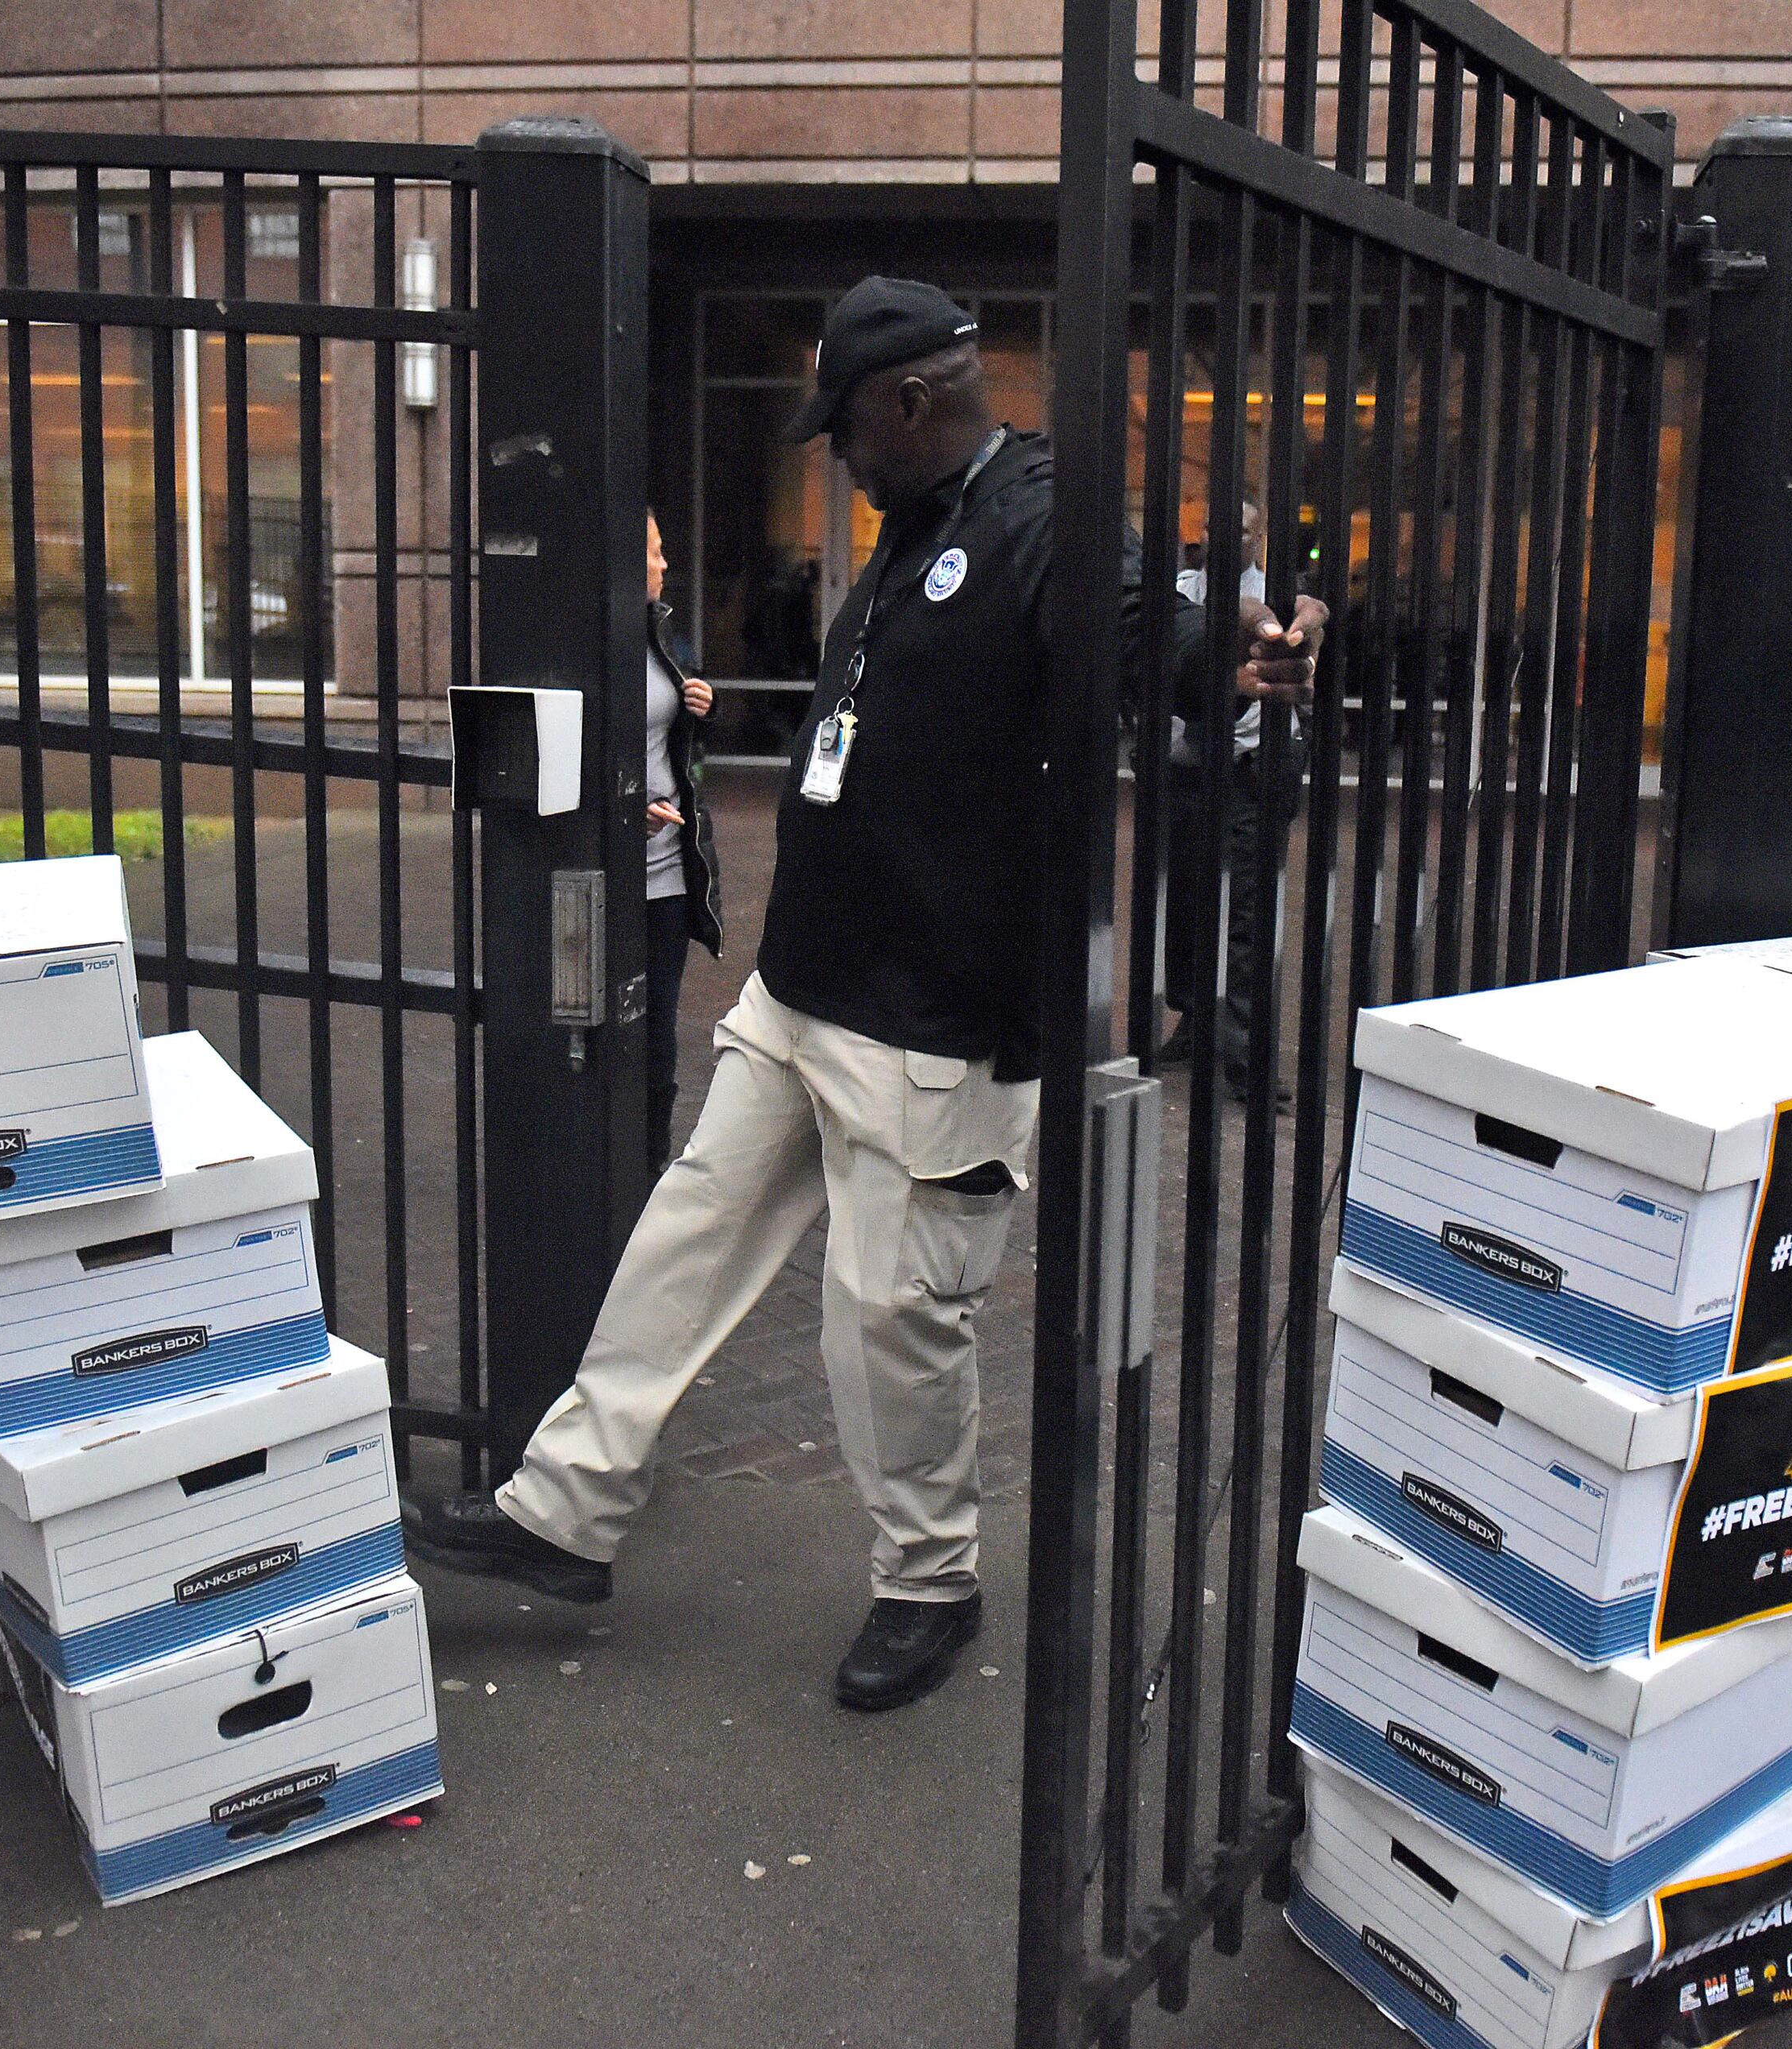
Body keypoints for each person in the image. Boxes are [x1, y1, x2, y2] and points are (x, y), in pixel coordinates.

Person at [406, 276, 1328, 1712]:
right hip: (804, 989)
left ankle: (930, 1580)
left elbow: (1153, 626)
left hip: (938, 1020)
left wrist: (1245, 651)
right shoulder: (916, 523)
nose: (834, 453)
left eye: (843, 426)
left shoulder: (1040, 519)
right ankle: (563, 1511)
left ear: (910, 400)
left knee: (888, 1321)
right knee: (686, 1239)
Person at [1161, 498, 1306, 1106]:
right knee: (1188, 902)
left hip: (1251, 769)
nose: (1225, 538)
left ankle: (1248, 1057)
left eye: (1240, 529)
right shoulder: (1178, 591)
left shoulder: (1278, 602)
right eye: (1214, 526)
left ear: (1258, 536)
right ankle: (1195, 1021)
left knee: (1247, 916)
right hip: (1189, 769)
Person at [642, 511, 723, 1173]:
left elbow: (680, 747)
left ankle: (647, 1163)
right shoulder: (584, 641)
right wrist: (619, 812)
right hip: (604, 873)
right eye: (654, 552)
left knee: (656, 1032)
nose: (665, 564)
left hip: (667, 869)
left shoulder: (663, 633)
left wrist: (702, 707)